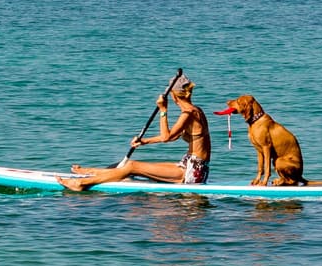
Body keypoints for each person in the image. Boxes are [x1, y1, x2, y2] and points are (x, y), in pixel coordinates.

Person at [60, 76, 211, 191]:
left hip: (193, 172)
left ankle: (81, 183)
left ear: (173, 95)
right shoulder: (195, 111)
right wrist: (145, 141)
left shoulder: (188, 113)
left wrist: (163, 111)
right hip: (190, 165)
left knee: (132, 166)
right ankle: (92, 172)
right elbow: (175, 136)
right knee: (132, 167)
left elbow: (166, 137)